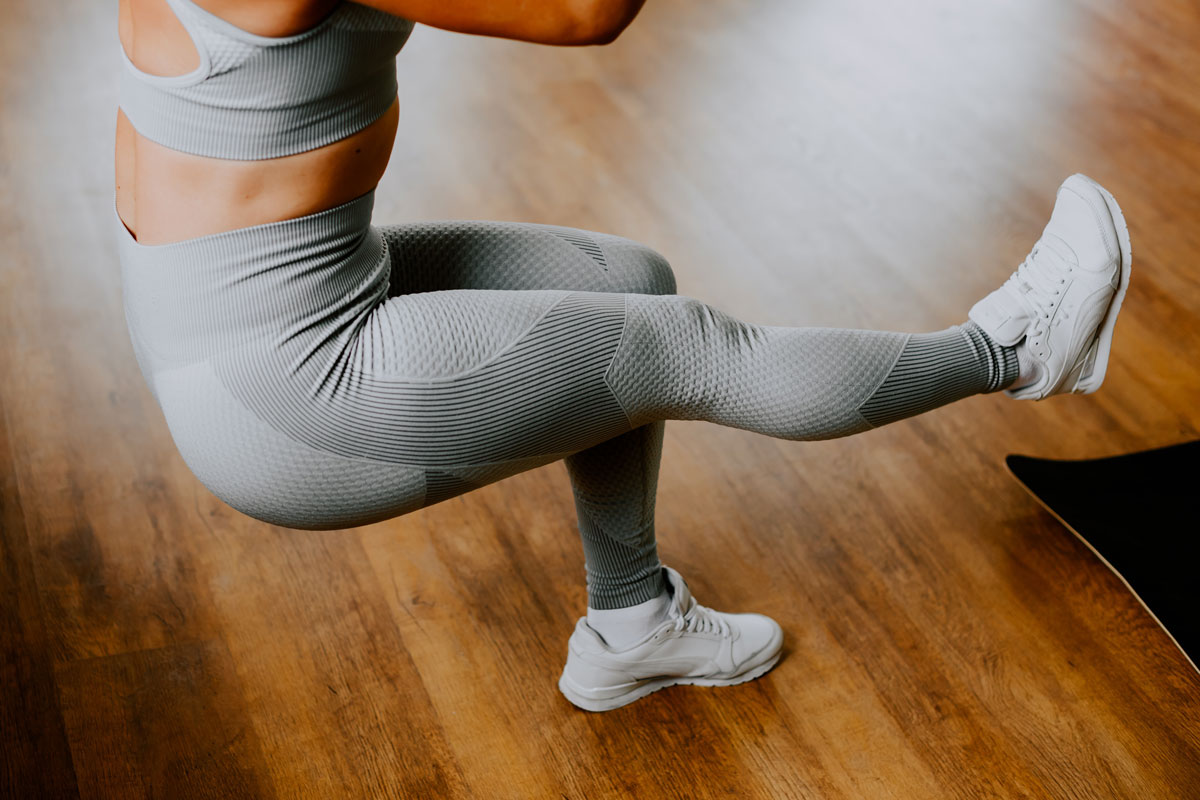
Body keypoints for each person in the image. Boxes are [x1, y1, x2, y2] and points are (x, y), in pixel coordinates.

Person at [114, 0, 1132, 712]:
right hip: (283, 387)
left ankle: (633, 622)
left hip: (284, 299)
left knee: (628, 281)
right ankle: (1017, 346)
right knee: (683, 346)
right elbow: (583, 10)